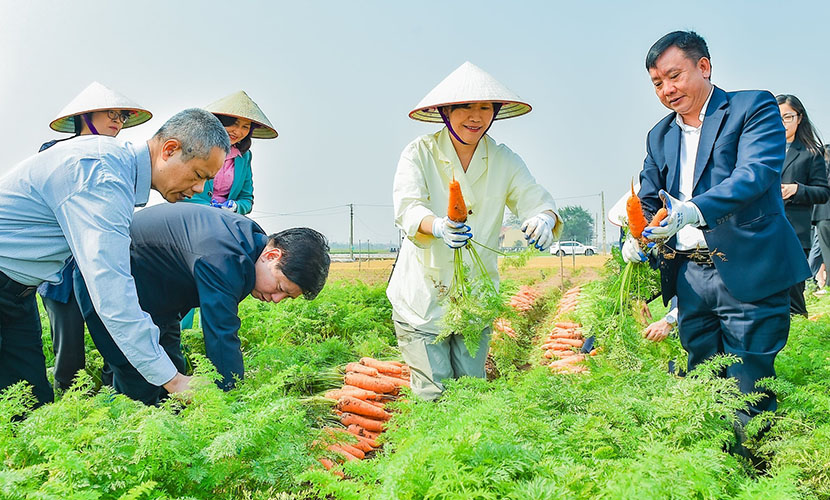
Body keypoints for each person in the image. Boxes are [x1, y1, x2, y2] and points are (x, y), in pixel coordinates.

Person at [624, 32, 810, 436]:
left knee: (748, 386)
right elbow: (650, 196)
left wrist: (692, 210)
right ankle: (717, 467)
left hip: (748, 268)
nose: (667, 90)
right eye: (657, 83)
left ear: (703, 67)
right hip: (690, 277)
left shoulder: (750, 107)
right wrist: (638, 235)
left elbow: (754, 175)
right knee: (704, 381)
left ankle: (758, 475)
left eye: (674, 76)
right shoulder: (660, 135)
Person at [0, 108, 229, 407]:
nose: (199, 188)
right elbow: (111, 290)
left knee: (27, 405)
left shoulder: (116, 166)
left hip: (17, 293)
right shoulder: (104, 177)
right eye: (199, 175)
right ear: (169, 149)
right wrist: (172, 379)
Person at [388, 61, 561, 401]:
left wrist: (543, 218)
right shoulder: (419, 153)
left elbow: (535, 199)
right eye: (465, 106)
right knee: (433, 394)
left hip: (476, 297)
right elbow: (408, 208)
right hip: (423, 295)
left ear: (495, 113)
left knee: (471, 392)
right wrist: (437, 226)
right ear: (444, 111)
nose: (476, 116)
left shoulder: (503, 159)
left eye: (485, 107)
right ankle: (435, 452)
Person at [73, 203, 330, 405]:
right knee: (140, 385)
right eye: (280, 288)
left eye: (286, 297)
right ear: (272, 255)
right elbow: (221, 334)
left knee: (172, 377)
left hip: (156, 299)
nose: (275, 299)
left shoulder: (249, 246)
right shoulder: (226, 258)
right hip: (107, 283)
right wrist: (232, 398)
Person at [37, 82, 153, 391]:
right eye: (110, 114)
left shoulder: (124, 161)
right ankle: (68, 403)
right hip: (63, 268)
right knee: (69, 343)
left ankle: (115, 399)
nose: (118, 121)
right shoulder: (53, 152)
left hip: (103, 260)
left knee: (114, 334)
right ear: (84, 116)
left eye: (122, 116)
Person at [179, 90, 277, 329]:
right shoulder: (196, 148)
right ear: (217, 122)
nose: (239, 131)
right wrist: (209, 210)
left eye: (245, 127)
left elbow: (247, 199)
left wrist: (232, 206)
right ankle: (181, 334)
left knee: (218, 282)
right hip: (191, 224)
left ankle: (208, 335)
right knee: (185, 280)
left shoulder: (244, 157)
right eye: (234, 123)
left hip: (224, 228)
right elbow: (183, 187)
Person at [775, 94, 830, 315]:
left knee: (793, 292)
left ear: (799, 118)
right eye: (777, 117)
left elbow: (823, 192)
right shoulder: (762, 151)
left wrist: (796, 189)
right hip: (763, 227)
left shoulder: (811, 152)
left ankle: (798, 332)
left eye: (788, 117)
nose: (783, 123)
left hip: (794, 229)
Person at [808, 144, 830, 294]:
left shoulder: (823, 169)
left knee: (825, 250)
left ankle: (825, 284)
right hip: (823, 215)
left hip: (824, 215)